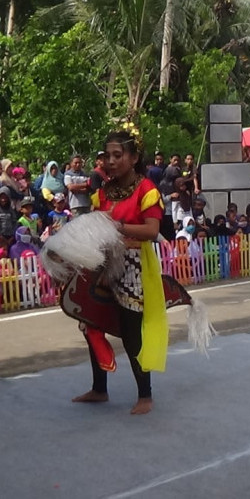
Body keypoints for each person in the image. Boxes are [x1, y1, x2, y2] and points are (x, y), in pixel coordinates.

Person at [72, 129, 167, 415]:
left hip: (134, 265)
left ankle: (145, 395)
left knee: (130, 331)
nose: (111, 161)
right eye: (107, 156)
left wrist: (117, 228)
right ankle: (99, 389)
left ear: (134, 157)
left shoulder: (147, 189)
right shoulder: (102, 192)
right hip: (104, 261)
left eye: (118, 155)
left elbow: (152, 231)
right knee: (90, 321)